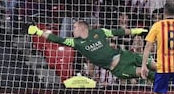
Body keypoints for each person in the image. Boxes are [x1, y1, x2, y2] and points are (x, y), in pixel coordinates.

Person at [27, 20, 156, 81]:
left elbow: (118, 32)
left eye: (75, 27)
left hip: (125, 56)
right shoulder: (76, 42)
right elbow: (57, 39)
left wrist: (136, 31)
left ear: (83, 28)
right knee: (143, 72)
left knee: (155, 65)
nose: (73, 30)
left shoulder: (99, 32)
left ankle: (173, 74)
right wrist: (38, 32)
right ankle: (165, 86)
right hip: (118, 69)